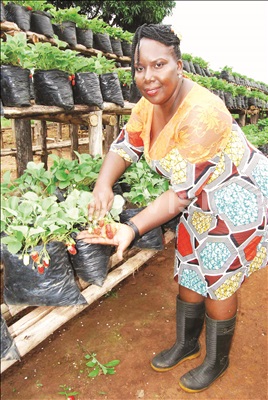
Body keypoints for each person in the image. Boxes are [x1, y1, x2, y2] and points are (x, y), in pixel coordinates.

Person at [77, 24, 268, 393]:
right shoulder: (150, 105)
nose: (147, 77)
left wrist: (131, 229)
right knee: (189, 266)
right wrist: (103, 183)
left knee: (219, 282)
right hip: (200, 199)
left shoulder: (202, 115)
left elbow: (178, 196)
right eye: (139, 67)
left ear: (179, 66)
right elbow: (126, 142)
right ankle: (187, 343)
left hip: (235, 200)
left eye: (159, 64)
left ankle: (216, 360)